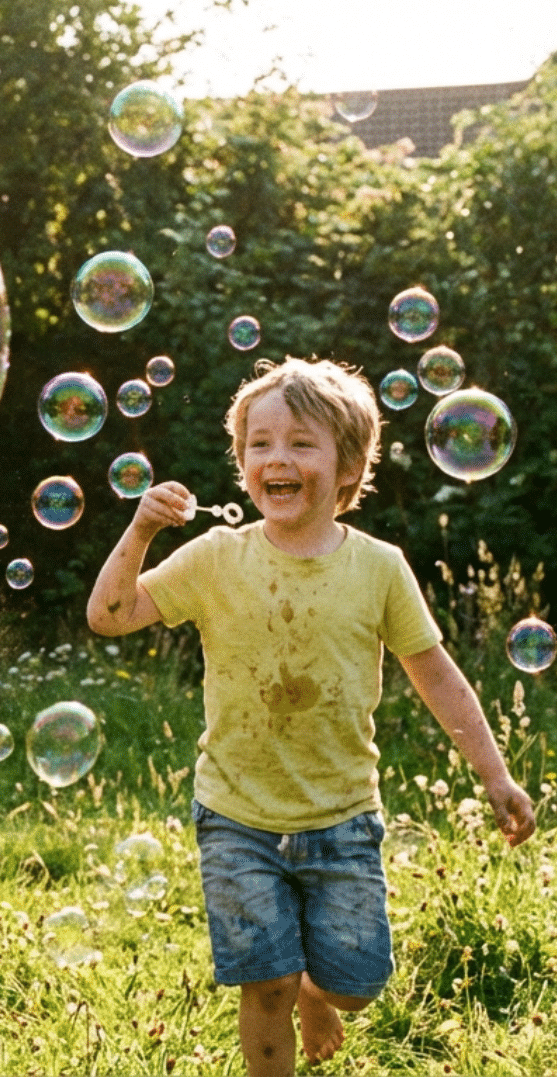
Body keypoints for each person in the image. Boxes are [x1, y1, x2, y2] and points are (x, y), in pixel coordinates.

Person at [86, 356, 536, 1077]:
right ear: (242, 465)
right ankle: (283, 998)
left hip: (342, 816)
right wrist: (140, 529)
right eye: (259, 445)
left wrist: (496, 776)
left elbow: (438, 678)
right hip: (235, 814)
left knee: (357, 985)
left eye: (301, 443)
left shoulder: (381, 568)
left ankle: (314, 992)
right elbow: (109, 616)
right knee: (260, 986)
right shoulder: (214, 557)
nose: (277, 458)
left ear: (349, 465)